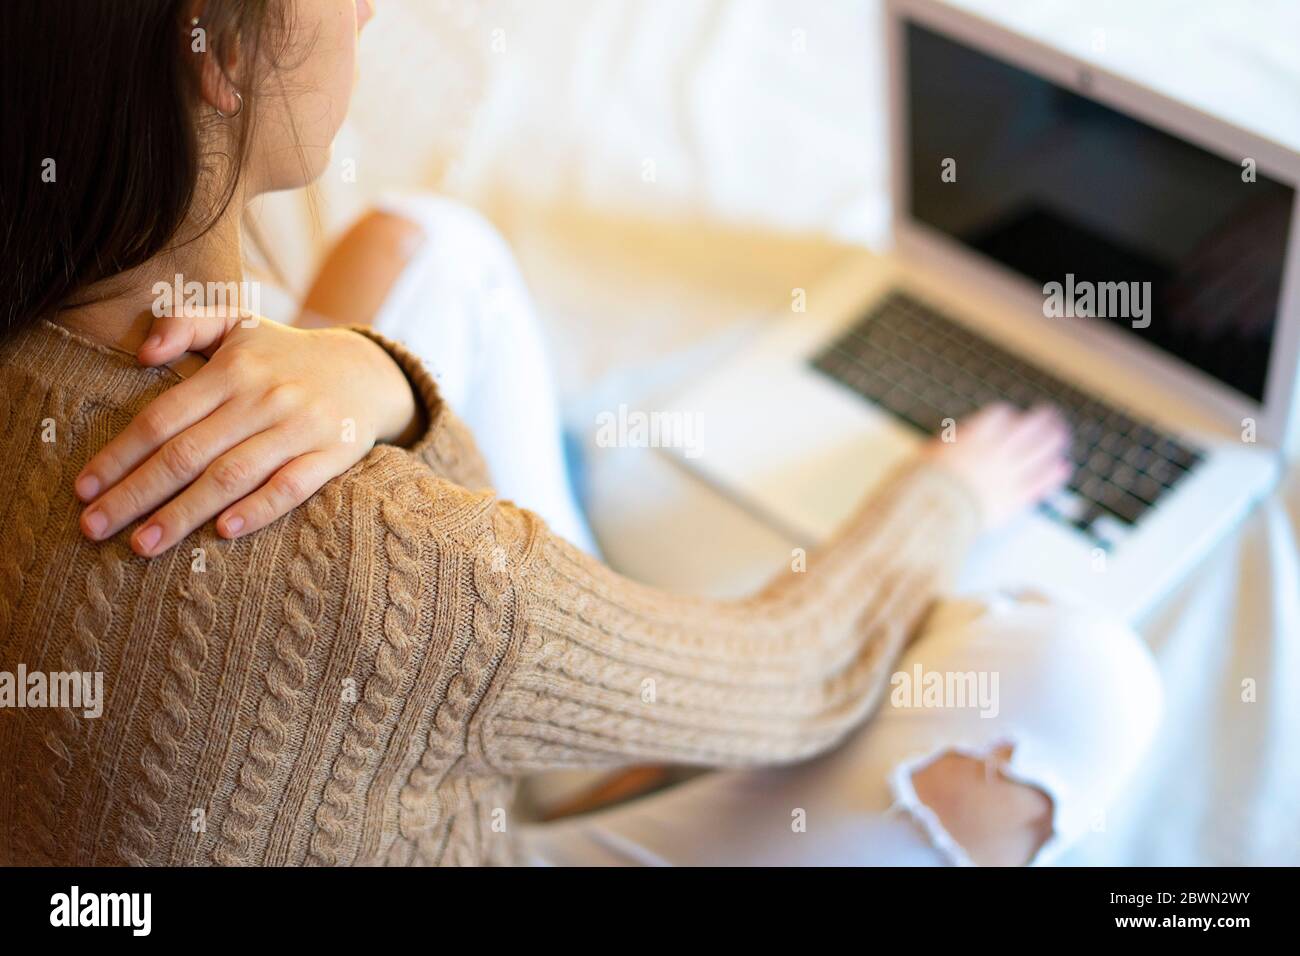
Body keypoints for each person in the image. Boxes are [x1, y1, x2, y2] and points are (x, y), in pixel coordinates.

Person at [0, 0, 1161, 866]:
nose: (365, 10)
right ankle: (582, 744)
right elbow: (790, 677)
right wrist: (945, 492)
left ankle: (567, 714)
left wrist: (384, 379)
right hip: (499, 807)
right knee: (1078, 683)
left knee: (425, 243)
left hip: (372, 707)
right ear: (212, 47)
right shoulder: (400, 560)